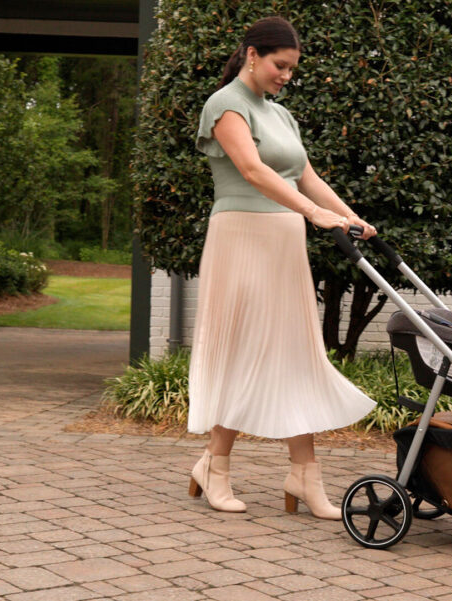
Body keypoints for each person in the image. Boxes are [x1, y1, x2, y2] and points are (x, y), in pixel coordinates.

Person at [186, 16, 377, 520]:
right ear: (253, 54)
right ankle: (216, 466)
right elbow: (252, 170)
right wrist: (312, 214)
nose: (286, 75)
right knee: (246, 347)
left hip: (283, 241)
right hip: (242, 237)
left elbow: (305, 175)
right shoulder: (224, 105)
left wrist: (349, 217)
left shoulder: (281, 115)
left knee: (295, 352)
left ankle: (304, 474)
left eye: (292, 68)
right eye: (280, 65)